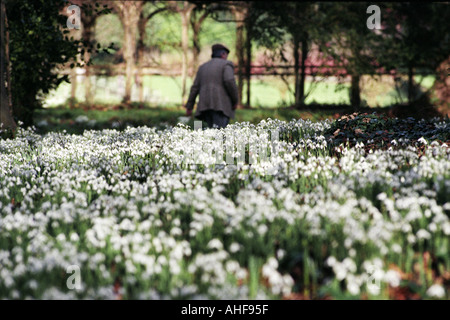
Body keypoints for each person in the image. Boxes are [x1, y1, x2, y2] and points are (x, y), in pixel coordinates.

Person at [185, 44, 239, 129]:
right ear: (223, 54)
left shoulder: (202, 67)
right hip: (221, 107)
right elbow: (229, 81)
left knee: (202, 135)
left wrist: (189, 107)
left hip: (203, 108)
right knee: (219, 136)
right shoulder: (226, 65)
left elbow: (195, 88)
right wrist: (235, 100)